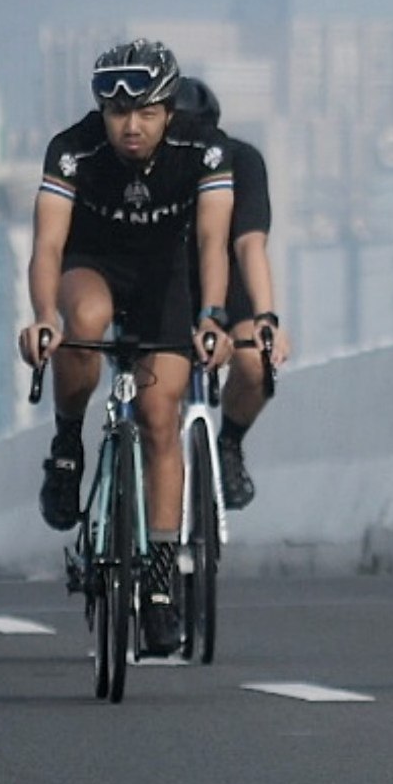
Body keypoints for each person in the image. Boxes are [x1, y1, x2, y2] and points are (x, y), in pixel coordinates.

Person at [18, 39, 235, 659]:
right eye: (117, 115)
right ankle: (66, 446)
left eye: (145, 113)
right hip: (94, 267)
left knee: (160, 414)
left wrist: (215, 316)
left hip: (166, 280)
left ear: (169, 110)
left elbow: (215, 241)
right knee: (82, 317)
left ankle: (162, 583)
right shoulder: (72, 149)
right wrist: (41, 317)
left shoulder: (203, 149)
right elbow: (48, 246)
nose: (131, 127)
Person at [172, 77, 288, 510]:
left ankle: (229, 446)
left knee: (256, 363)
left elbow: (249, 245)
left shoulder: (243, 162)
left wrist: (266, 320)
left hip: (228, 277)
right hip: (166, 279)